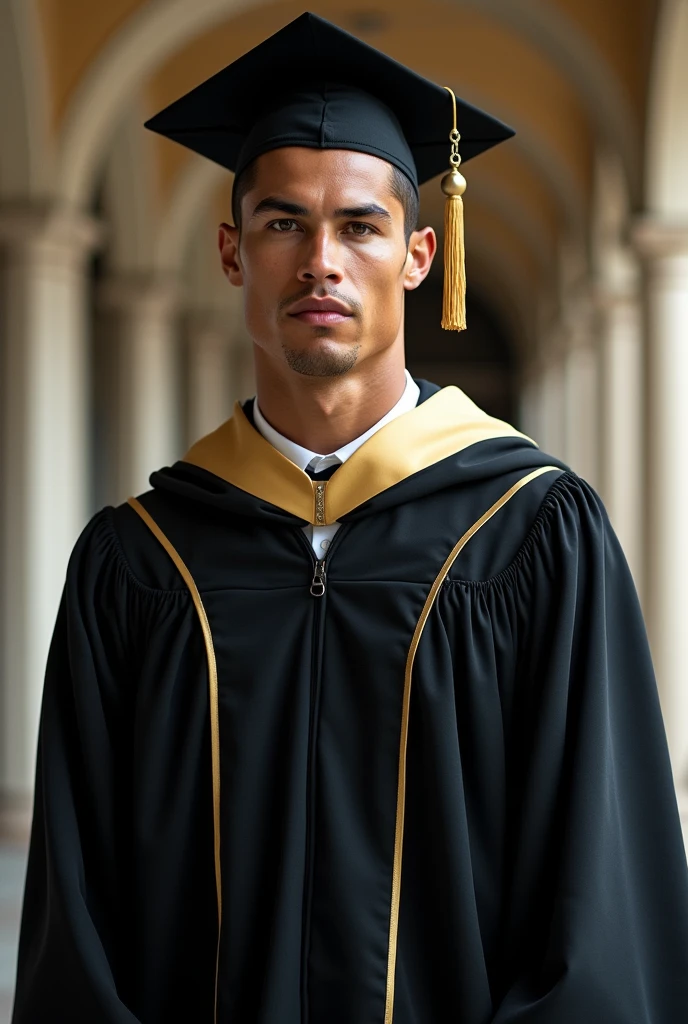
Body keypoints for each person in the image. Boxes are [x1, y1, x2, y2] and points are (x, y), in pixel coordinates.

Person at [12, 12, 688, 1024]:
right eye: (283, 222)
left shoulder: (536, 533)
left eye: (358, 225)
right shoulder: (137, 563)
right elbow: (78, 917)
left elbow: (600, 904)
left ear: (419, 254)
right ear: (233, 255)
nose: (319, 260)